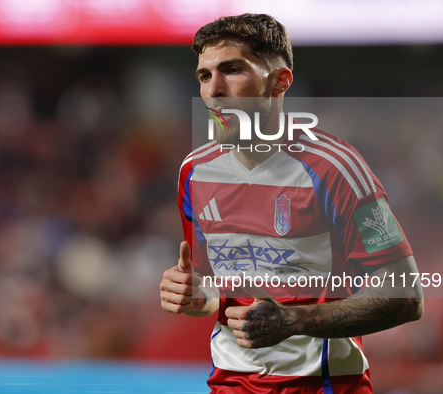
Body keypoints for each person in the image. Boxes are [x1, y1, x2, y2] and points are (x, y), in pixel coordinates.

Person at [159, 13, 423, 393]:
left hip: (323, 386)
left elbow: (405, 296)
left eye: (231, 70)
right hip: (229, 385)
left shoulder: (334, 168)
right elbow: (213, 290)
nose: (213, 89)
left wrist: (294, 322)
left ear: (280, 81)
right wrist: (194, 294)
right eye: (204, 75)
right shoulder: (194, 172)